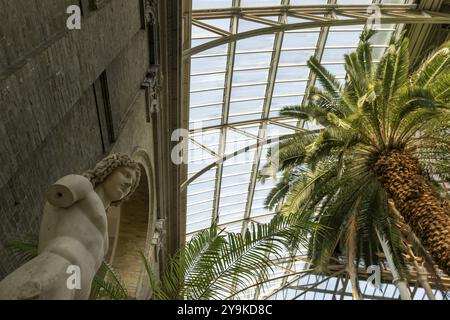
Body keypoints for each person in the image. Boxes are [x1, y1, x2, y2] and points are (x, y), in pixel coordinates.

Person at [0, 153, 141, 300]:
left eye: (132, 183)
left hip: (77, 291)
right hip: (57, 268)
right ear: (109, 169)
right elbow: (56, 197)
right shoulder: (84, 188)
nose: (129, 183)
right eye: (125, 174)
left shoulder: (105, 234)